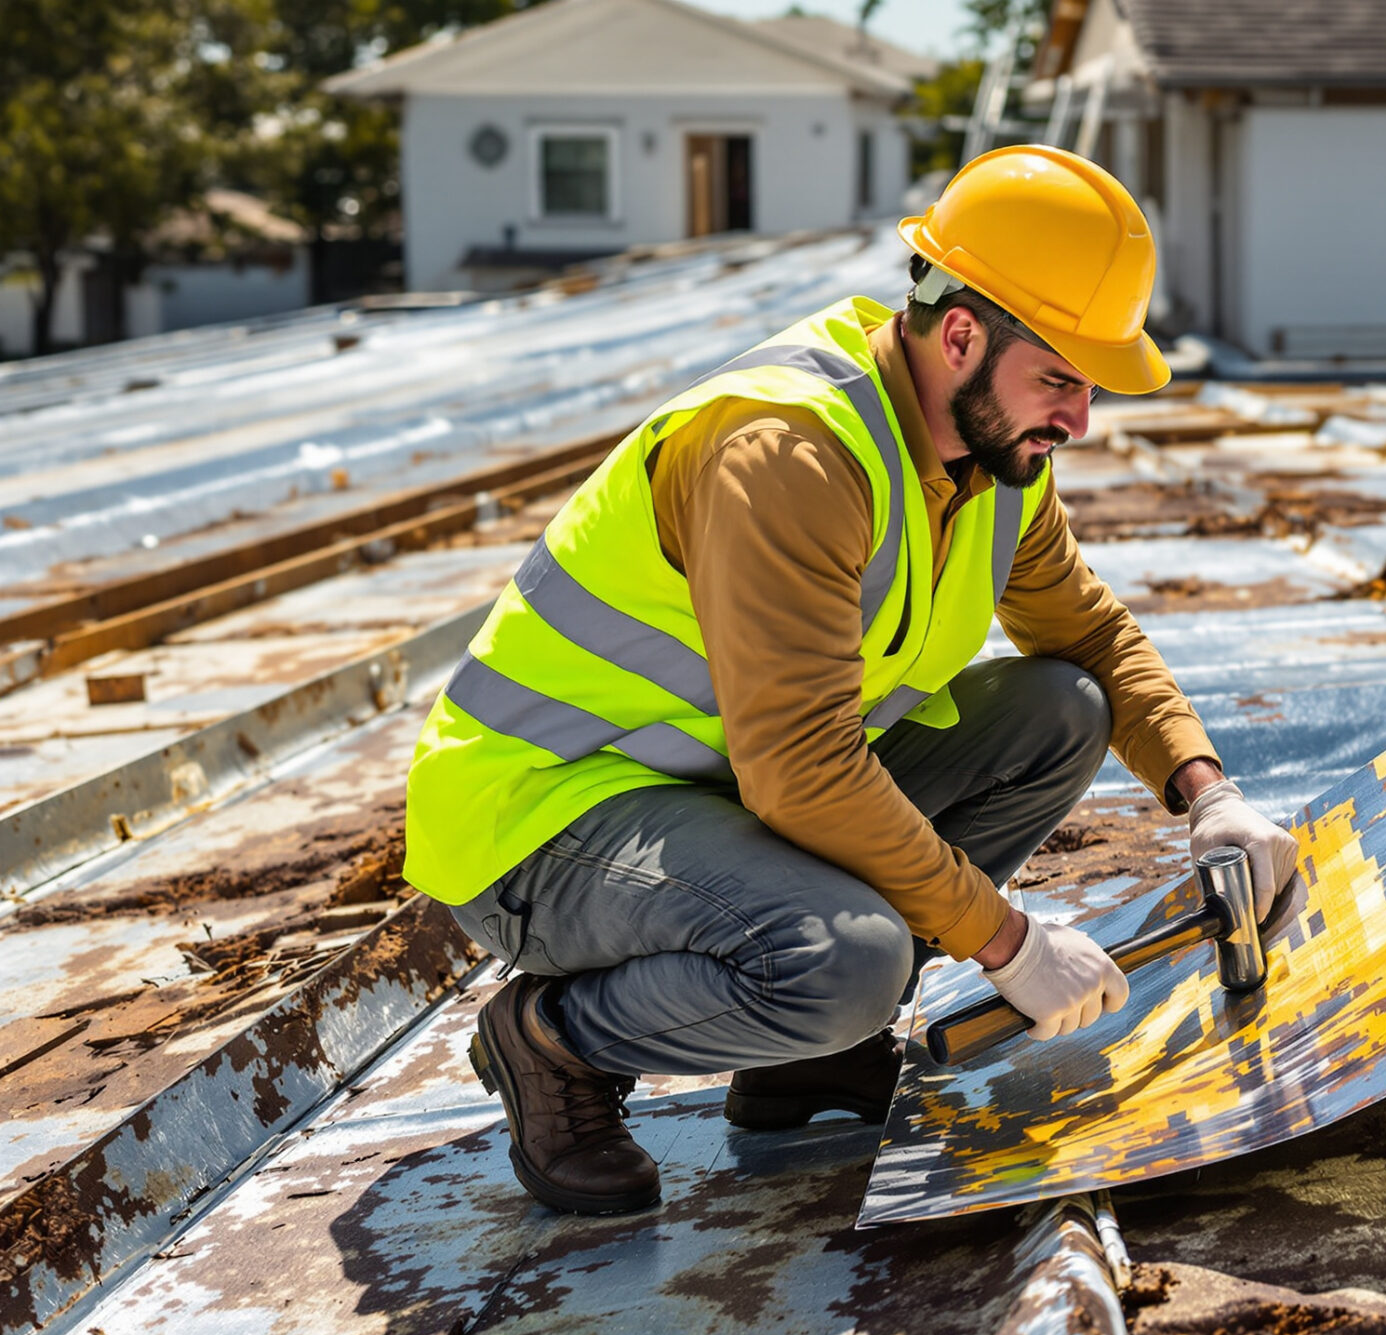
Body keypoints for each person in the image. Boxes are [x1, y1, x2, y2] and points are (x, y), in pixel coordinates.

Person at [401, 145, 1296, 1215]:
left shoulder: (994, 458)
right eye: (1058, 378)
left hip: (715, 798)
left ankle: (806, 1065)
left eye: (1090, 384)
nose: (1080, 419)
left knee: (1061, 710)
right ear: (960, 332)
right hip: (544, 821)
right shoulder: (786, 453)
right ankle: (552, 1041)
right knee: (840, 966)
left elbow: (1090, 634)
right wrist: (1007, 942)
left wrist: (1212, 796)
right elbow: (803, 772)